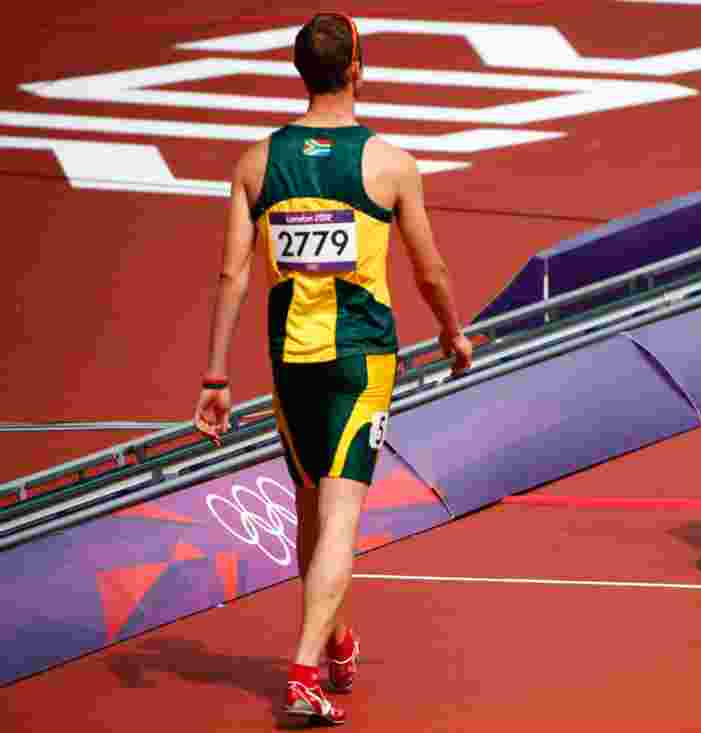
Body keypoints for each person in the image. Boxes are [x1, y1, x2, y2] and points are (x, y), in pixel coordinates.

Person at [192, 13, 473, 725]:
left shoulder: (255, 162)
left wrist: (215, 378)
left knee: (310, 509)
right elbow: (429, 267)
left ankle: (339, 640)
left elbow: (232, 274)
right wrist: (450, 331)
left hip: (290, 361)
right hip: (360, 359)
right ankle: (303, 670)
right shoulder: (389, 163)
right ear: (357, 68)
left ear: (299, 70)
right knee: (342, 517)